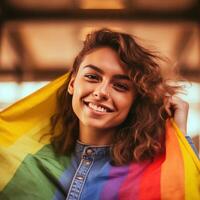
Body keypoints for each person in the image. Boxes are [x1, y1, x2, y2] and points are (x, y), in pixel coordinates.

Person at [0, 28, 199, 200]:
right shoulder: (27, 162)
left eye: (120, 86)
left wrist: (178, 136)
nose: (102, 92)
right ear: (71, 84)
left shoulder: (151, 175)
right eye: (92, 77)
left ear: (134, 101)